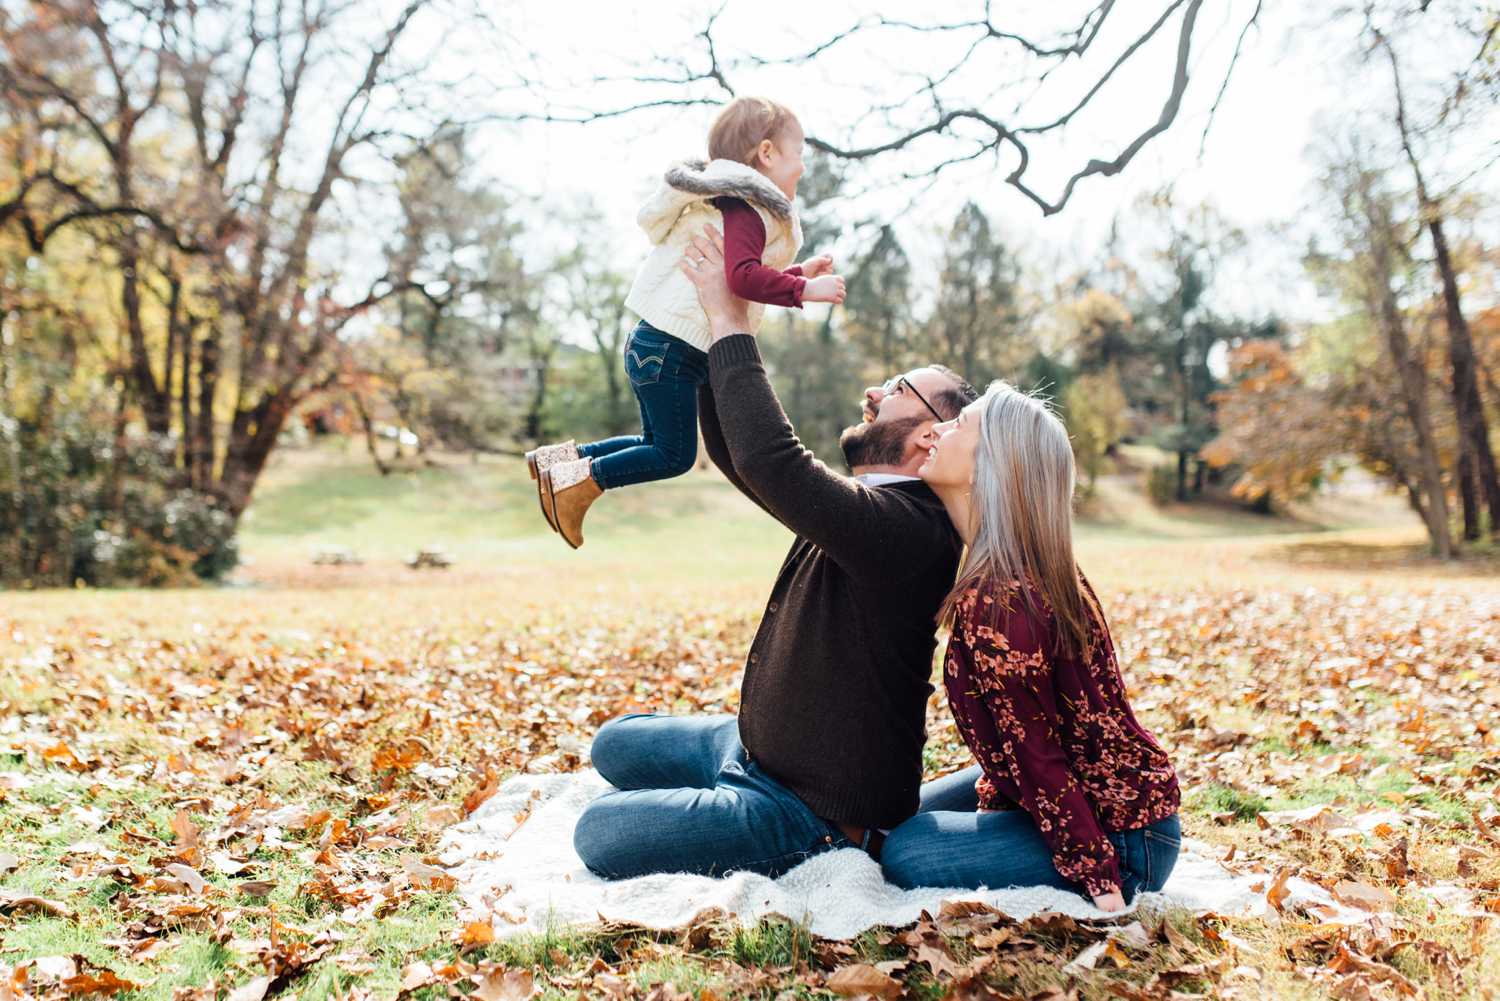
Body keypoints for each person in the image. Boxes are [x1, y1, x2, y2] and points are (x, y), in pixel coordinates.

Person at [570, 225, 976, 880]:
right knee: (612, 743)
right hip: (752, 748)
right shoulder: (871, 505)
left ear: (930, 435)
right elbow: (741, 458)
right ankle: (727, 774)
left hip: (803, 808)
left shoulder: (911, 532)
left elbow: (771, 458)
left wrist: (734, 322)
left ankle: (828, 840)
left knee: (600, 832)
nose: (874, 391)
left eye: (897, 386)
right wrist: (706, 338)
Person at [878, 383, 1182, 911]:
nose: (939, 431)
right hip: (1081, 782)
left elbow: (1036, 752)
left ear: (988, 466)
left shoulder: (1000, 599)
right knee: (895, 815)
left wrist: (1098, 875)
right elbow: (1030, 738)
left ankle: (1089, 858)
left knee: (906, 851)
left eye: (959, 425)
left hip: (1126, 836)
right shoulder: (1012, 567)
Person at [526, 96, 848, 548]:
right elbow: (740, 278)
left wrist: (796, 273)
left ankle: (558, 462)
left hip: (657, 345)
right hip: (670, 351)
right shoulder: (746, 204)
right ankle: (578, 484)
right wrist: (802, 292)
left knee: (654, 439)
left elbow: (737, 275)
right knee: (673, 455)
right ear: (768, 153)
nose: (802, 167)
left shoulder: (729, 200)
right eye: (800, 155)